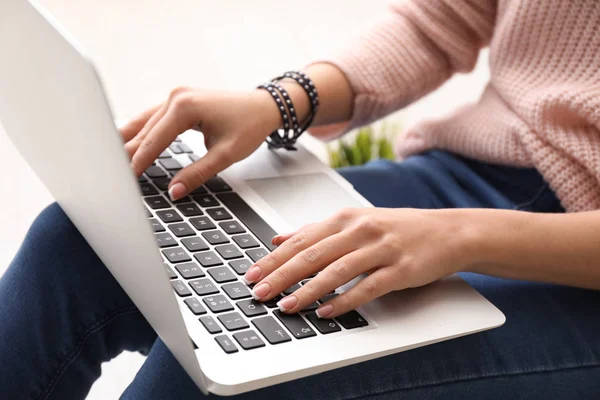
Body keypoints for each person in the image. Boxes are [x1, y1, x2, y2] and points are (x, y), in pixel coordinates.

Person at [2, 0, 600, 398]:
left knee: (233, 379)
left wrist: (458, 238)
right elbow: (442, 20)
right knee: (79, 243)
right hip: (465, 178)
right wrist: (280, 101)